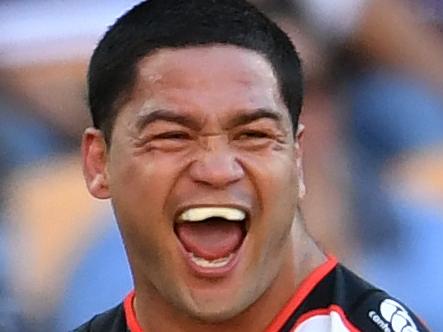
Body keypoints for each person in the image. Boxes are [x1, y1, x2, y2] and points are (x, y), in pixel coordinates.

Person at [75, 0, 430, 331]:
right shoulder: (95, 271)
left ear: (297, 160)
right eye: (172, 136)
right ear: (99, 162)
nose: (217, 170)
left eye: (253, 135)